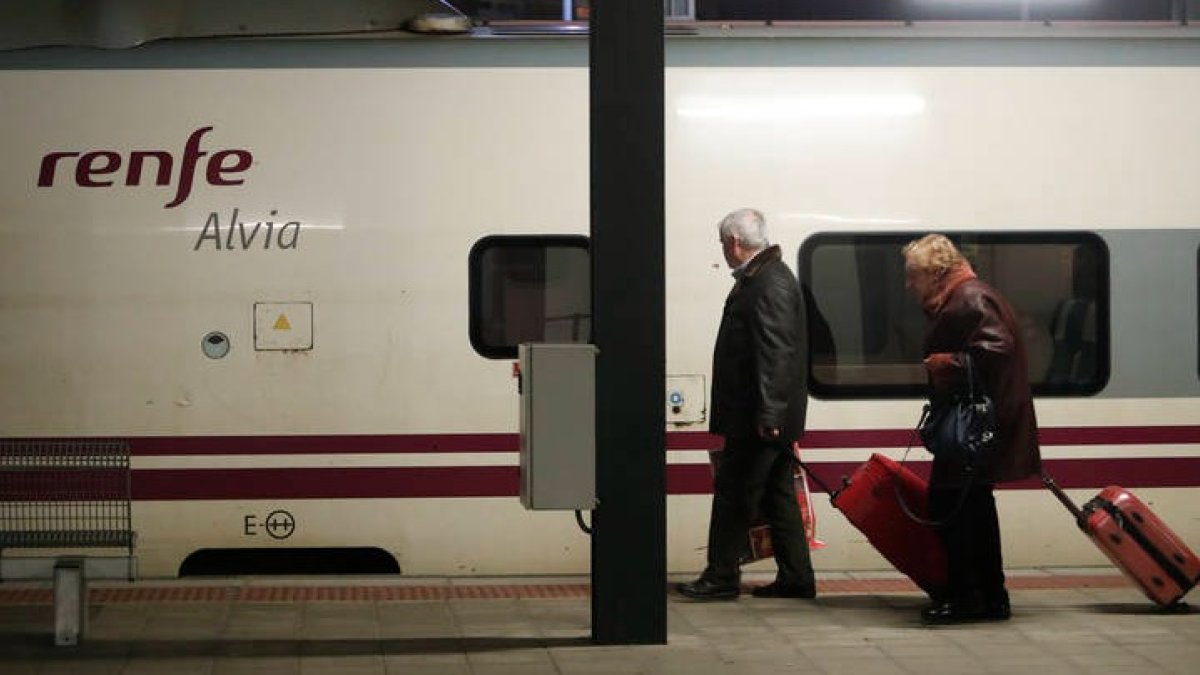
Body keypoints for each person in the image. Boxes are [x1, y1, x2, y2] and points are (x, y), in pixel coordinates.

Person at [677, 208, 816, 601]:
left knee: (734, 494)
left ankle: (721, 576)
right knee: (777, 495)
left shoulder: (768, 283)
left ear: (734, 242)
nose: (723, 250)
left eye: (723, 243)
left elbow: (776, 352)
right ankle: (796, 577)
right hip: (763, 415)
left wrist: (769, 413)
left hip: (757, 418)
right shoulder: (765, 278)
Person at [902, 234, 1041, 624]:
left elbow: (998, 350)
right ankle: (989, 596)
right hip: (976, 426)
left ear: (935, 273)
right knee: (971, 507)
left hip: (974, 427)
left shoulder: (969, 298)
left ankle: (971, 598)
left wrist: (947, 364)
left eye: (914, 275)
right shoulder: (964, 296)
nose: (909, 285)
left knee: (953, 508)